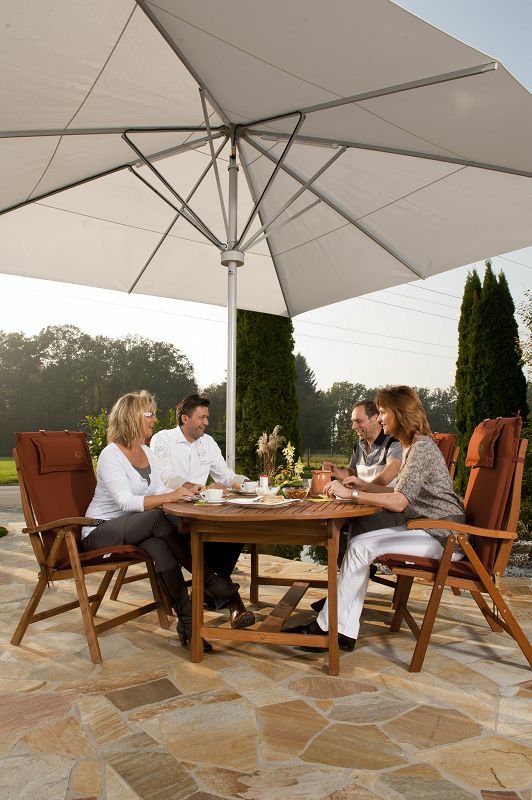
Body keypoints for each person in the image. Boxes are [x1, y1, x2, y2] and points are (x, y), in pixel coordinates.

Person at [292, 385, 465, 653]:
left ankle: (323, 628)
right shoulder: (411, 447)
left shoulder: (422, 448)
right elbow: (398, 492)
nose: (381, 417)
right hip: (427, 529)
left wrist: (353, 494)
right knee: (360, 543)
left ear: (398, 413)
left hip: (445, 535)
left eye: (383, 412)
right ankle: (341, 631)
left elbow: (398, 502)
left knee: (361, 546)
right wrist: (360, 485)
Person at [81, 390, 239, 653]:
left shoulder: (145, 450)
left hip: (136, 528)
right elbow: (125, 502)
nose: (155, 419)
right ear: (132, 417)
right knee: (157, 517)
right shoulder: (112, 454)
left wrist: (185, 494)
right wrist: (171, 495)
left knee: (159, 547)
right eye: (149, 414)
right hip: (101, 529)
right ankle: (207, 577)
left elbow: (155, 490)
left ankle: (188, 623)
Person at [150, 393, 255, 629]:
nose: (206, 422)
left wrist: (251, 484)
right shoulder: (162, 439)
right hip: (171, 510)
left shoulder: (207, 442)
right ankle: (233, 601)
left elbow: (226, 476)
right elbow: (166, 477)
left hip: (202, 509)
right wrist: (200, 487)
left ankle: (212, 590)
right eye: (202, 417)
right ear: (185, 418)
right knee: (205, 539)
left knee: (236, 529)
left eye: (207, 417)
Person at [323, 399, 402, 487]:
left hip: (386, 500)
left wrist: (360, 492)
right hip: (362, 499)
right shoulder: (359, 446)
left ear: (375, 419)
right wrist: (337, 473)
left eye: (359, 421)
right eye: (353, 421)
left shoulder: (394, 442)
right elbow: (353, 472)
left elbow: (390, 472)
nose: (354, 426)